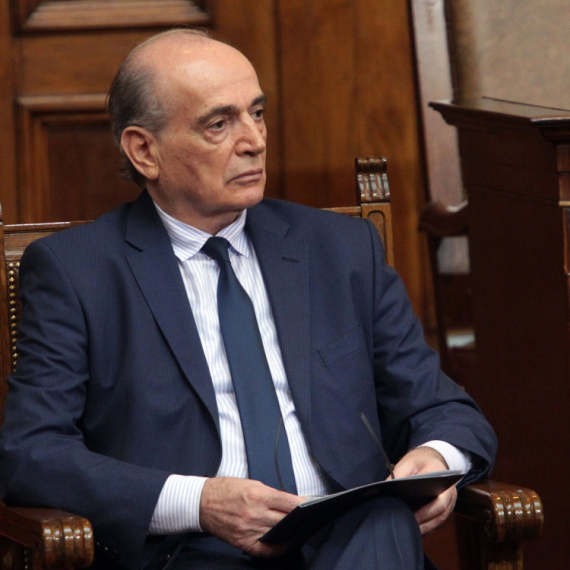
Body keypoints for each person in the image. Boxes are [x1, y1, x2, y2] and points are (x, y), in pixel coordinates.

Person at [0, 29, 497, 570]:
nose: (254, 140)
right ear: (144, 151)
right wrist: (200, 502)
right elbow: (32, 453)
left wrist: (435, 458)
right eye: (219, 124)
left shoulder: (339, 250)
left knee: (378, 518)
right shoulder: (78, 271)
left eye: (256, 114)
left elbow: (443, 408)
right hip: (192, 553)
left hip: (353, 540)